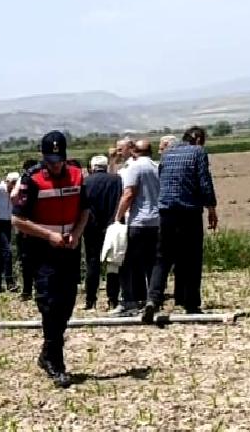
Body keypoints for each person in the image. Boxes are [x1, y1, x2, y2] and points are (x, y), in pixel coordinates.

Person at [13, 131, 91, 389]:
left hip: (69, 247)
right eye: (50, 159)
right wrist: (49, 236)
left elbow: (85, 210)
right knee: (50, 304)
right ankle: (57, 363)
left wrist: (77, 234)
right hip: (42, 249)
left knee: (67, 304)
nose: (55, 164)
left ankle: (47, 353)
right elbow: (18, 220)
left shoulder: (78, 175)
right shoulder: (32, 179)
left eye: (59, 159)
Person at [146, 125, 219, 320]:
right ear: (198, 140)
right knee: (192, 257)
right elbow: (204, 181)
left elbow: (162, 178)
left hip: (166, 210)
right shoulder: (198, 152)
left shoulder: (167, 154)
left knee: (162, 258)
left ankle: (153, 299)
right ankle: (191, 302)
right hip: (189, 210)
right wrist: (211, 208)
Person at [114, 138, 161, 313]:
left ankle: (130, 300)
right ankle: (153, 298)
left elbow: (129, 194)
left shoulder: (134, 167)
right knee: (152, 263)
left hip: (138, 221)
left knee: (129, 262)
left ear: (134, 151)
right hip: (156, 221)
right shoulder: (157, 167)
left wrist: (118, 217)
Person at [80, 155, 123, 312]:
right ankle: (113, 298)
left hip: (91, 227)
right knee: (113, 263)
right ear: (105, 166)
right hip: (112, 226)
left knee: (92, 263)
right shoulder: (116, 180)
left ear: (92, 167)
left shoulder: (85, 182)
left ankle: (91, 300)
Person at [13, 159, 39, 299]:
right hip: (40, 227)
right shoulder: (42, 181)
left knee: (26, 259)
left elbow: (14, 198)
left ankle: (27, 290)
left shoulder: (25, 181)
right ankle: (37, 287)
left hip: (26, 227)